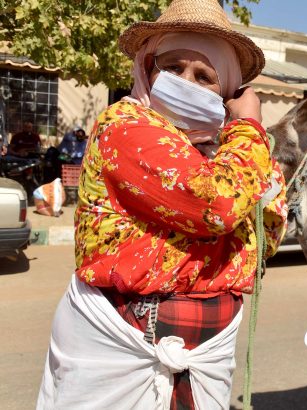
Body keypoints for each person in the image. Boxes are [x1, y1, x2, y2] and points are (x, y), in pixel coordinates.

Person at [37, 0, 288, 408]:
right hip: (123, 344)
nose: (185, 81)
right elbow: (217, 206)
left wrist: (240, 147)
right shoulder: (126, 126)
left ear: (227, 92)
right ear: (148, 69)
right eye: (172, 68)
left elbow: (269, 231)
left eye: (204, 75)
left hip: (208, 353)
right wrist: (249, 129)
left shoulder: (232, 150)